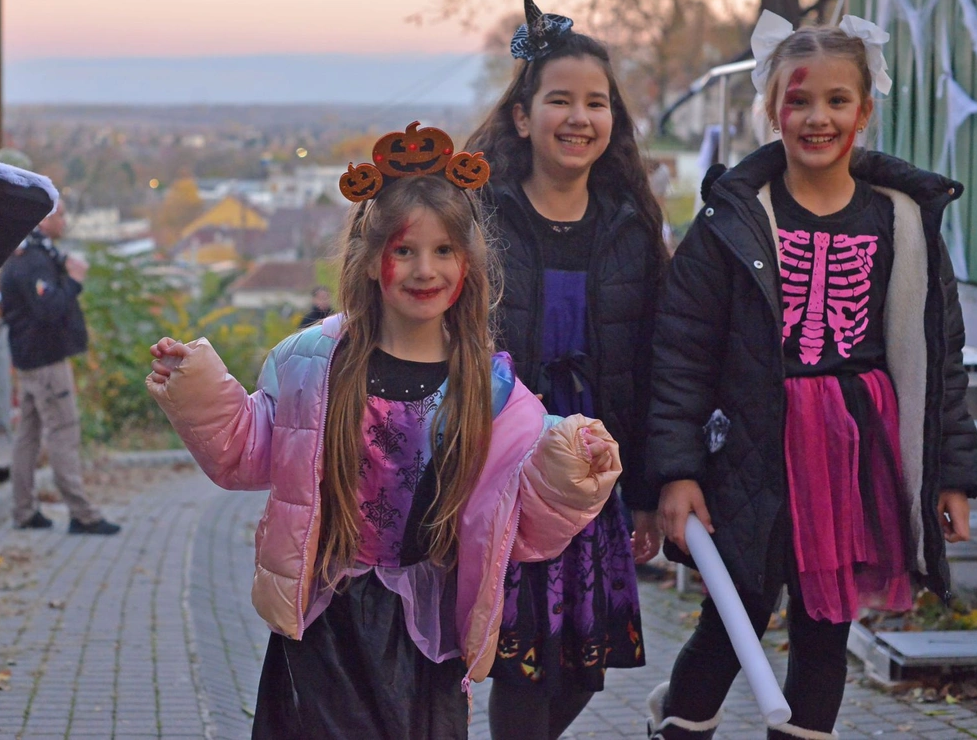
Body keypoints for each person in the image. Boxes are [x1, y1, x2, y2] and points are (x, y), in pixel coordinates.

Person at [146, 140, 623, 740]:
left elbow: (521, 523)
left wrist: (573, 471)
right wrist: (197, 389)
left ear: (468, 263)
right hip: (324, 623)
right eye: (405, 250)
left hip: (425, 634)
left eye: (444, 250)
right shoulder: (314, 364)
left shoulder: (494, 393)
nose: (426, 269)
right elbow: (247, 449)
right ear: (372, 261)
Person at [645, 11, 977, 740]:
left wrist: (950, 472)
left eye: (837, 100)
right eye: (798, 101)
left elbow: (939, 355)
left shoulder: (902, 221)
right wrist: (676, 471)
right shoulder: (731, 223)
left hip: (856, 451)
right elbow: (681, 356)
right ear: (772, 109)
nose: (817, 117)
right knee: (736, 616)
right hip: (755, 451)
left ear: (864, 110)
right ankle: (676, 725)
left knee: (825, 627)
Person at [466, 0, 666, 740]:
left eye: (597, 102)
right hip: (503, 472)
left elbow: (653, 369)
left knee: (583, 662)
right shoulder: (477, 216)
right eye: (560, 100)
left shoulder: (631, 228)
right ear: (524, 116)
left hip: (593, 479)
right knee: (521, 657)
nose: (579, 116)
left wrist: (646, 488)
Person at [1, 202, 120, 535]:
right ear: (42, 217)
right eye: (60, 214)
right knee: (63, 430)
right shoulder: (34, 260)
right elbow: (48, 309)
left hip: (31, 360)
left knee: (29, 434)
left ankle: (24, 511)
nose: (65, 220)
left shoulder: (32, 253)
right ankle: (83, 514)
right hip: (46, 361)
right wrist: (75, 280)